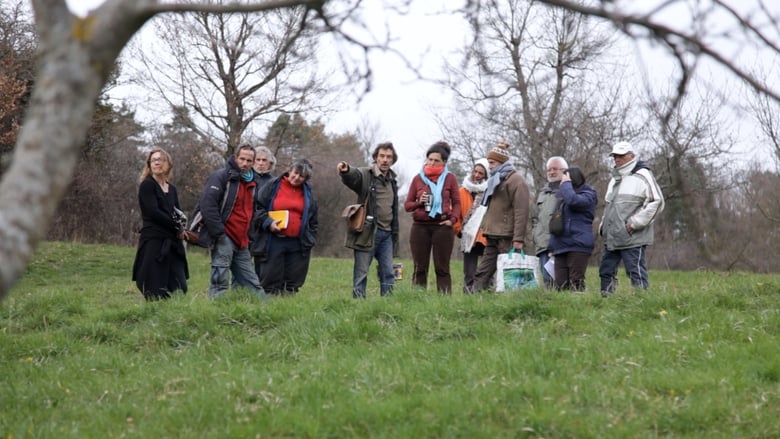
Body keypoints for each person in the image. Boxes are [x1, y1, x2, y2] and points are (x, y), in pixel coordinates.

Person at [198, 143, 267, 299]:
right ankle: (217, 309)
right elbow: (207, 205)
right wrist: (219, 233)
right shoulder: (221, 176)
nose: (244, 163)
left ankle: (266, 309)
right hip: (225, 235)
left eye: (249, 161)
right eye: (242, 159)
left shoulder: (253, 182)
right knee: (220, 279)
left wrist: (249, 236)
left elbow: (252, 211)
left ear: (253, 162)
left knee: (252, 282)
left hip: (242, 239)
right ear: (235, 158)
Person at [599, 141, 665, 297]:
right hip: (612, 237)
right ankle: (606, 301)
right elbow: (608, 206)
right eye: (615, 156)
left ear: (631, 156)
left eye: (621, 156)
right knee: (606, 271)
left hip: (633, 237)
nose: (617, 159)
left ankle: (641, 302)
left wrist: (634, 224)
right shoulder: (614, 178)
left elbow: (657, 202)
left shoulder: (643, 175)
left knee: (635, 272)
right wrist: (603, 226)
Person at [337, 142, 400, 299]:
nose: (385, 160)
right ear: (376, 158)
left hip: (387, 234)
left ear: (393, 160)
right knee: (361, 272)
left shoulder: (393, 180)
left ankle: (387, 303)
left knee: (388, 272)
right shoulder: (367, 175)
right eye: (381, 156)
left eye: (389, 157)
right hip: (368, 232)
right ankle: (358, 304)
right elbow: (354, 176)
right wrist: (346, 170)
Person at [470, 141, 531, 293]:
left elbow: (521, 211)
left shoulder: (516, 181)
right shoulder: (494, 181)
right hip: (492, 234)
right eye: (489, 162)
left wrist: (518, 239)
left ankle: (513, 299)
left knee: (509, 273)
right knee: (483, 272)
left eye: (492, 162)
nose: (489, 166)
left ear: (501, 162)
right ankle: (474, 298)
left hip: (507, 236)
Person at [253, 159, 318, 296]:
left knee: (292, 281)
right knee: (270, 277)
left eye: (302, 176)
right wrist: (269, 223)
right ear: (290, 171)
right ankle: (269, 301)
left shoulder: (308, 194)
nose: (297, 177)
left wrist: (311, 238)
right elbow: (257, 208)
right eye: (295, 173)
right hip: (273, 240)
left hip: (298, 242)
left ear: (306, 179)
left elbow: (313, 219)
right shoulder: (272, 186)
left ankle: (288, 302)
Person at [132, 148, 189, 301]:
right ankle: (154, 312)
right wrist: (175, 225)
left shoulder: (172, 189)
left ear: (168, 164)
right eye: (153, 160)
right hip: (154, 240)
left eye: (161, 159)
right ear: (149, 165)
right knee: (154, 286)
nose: (157, 163)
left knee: (179, 287)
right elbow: (153, 212)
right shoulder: (147, 185)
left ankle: (174, 312)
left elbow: (177, 212)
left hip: (172, 242)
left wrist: (181, 228)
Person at [404, 141, 461, 294]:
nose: (432, 163)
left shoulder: (450, 178)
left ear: (444, 162)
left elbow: (457, 203)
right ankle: (418, 298)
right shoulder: (418, 179)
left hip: (442, 226)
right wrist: (419, 202)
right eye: (429, 159)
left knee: (442, 268)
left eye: (436, 160)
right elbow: (407, 206)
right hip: (420, 227)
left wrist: (452, 220)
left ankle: (444, 300)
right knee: (419, 268)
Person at [547, 167, 597, 291]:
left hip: (578, 244)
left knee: (576, 282)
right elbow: (555, 223)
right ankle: (564, 304)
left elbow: (573, 201)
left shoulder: (588, 195)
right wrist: (551, 247)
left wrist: (566, 185)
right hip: (560, 246)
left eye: (564, 179)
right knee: (560, 285)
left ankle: (579, 303)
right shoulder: (561, 198)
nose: (561, 182)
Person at [452, 158, 490, 293]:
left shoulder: (489, 192)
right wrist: (458, 230)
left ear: (486, 175)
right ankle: (468, 294)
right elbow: (455, 211)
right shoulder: (462, 191)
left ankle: (487, 293)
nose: (477, 175)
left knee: (487, 269)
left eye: (481, 173)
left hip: (485, 234)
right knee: (469, 270)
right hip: (467, 234)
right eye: (475, 171)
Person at [531, 156, 569, 288]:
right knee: (547, 280)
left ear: (564, 171)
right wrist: (535, 235)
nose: (551, 172)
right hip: (542, 244)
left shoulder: (569, 191)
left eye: (555, 169)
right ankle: (549, 300)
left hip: (561, 245)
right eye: (549, 170)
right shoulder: (542, 193)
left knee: (562, 282)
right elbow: (535, 218)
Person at [249, 146, 277, 282]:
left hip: (265, 228)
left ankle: (259, 290)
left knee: (261, 266)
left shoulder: (275, 182)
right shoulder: (246, 179)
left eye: (264, 160)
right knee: (242, 263)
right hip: (246, 227)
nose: (260, 163)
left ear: (270, 163)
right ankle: (239, 291)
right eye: (258, 160)